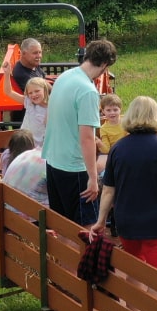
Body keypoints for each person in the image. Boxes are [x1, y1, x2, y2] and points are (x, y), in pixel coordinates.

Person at [89, 95, 157, 272]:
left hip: (126, 221)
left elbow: (109, 191)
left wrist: (101, 220)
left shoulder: (118, 148)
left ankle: (133, 301)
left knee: (135, 272)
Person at [41, 39, 117, 226]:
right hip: (74, 168)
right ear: (105, 65)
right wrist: (92, 178)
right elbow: (87, 139)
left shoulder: (64, 77)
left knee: (62, 224)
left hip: (53, 161)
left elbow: (48, 118)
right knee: (85, 227)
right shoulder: (87, 91)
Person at [0, 130, 50, 205]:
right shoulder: (34, 161)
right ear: (32, 145)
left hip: (8, 193)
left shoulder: (6, 154)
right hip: (27, 202)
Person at [20, 76, 49, 145]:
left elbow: (47, 124)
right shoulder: (29, 102)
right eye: (30, 93)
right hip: (24, 143)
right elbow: (8, 92)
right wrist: (7, 74)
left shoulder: (51, 107)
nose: (34, 95)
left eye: (37, 91)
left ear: (44, 90)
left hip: (40, 146)